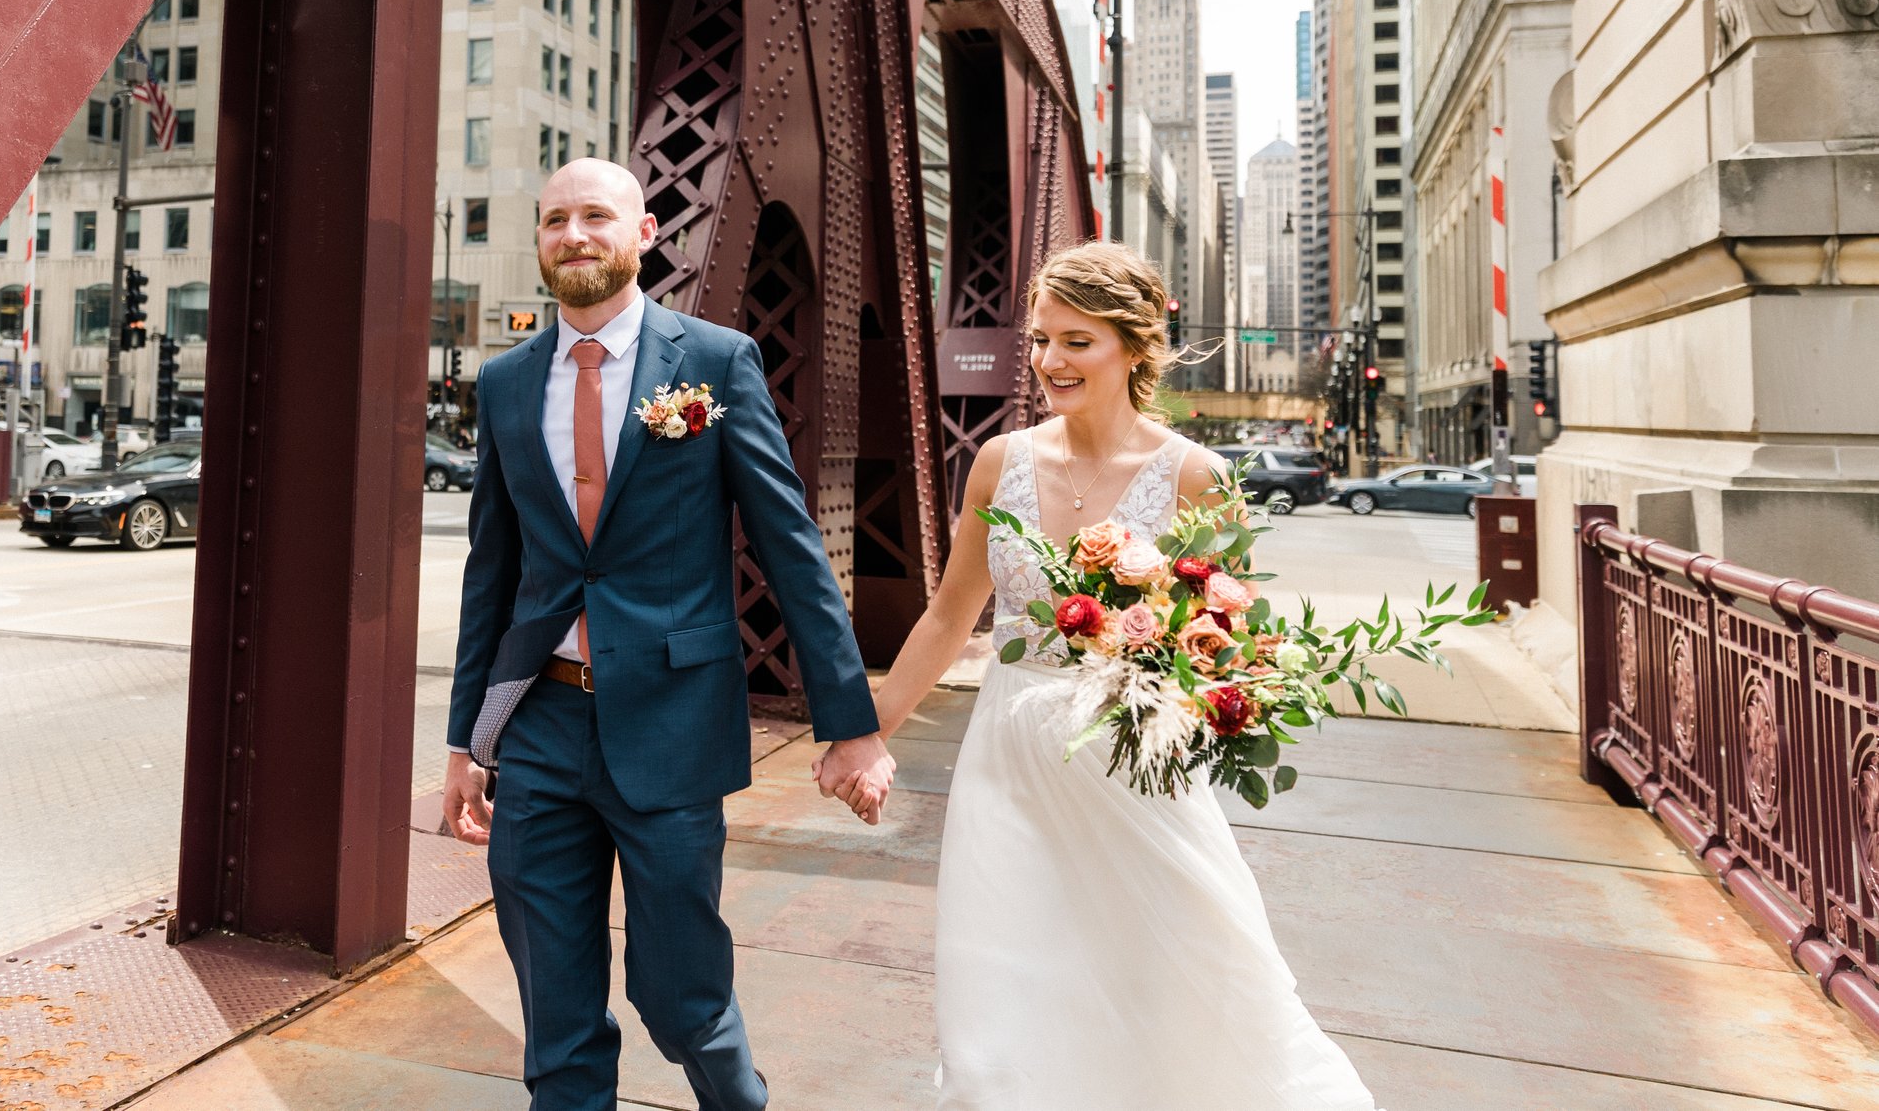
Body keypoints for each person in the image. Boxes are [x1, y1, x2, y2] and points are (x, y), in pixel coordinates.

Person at [833, 240, 1381, 1110]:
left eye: (1076, 340)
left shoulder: (1198, 477)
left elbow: (1232, 639)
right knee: (999, 998)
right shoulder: (999, 462)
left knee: (1180, 983)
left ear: (1132, 346)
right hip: (1006, 766)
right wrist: (867, 735)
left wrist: (1195, 682)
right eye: (1042, 340)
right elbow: (948, 616)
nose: (1050, 361)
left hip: (1133, 768)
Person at [442, 158, 896, 1111]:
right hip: (540, 729)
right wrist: (464, 742)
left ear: (644, 233)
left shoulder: (715, 361)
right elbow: (493, 575)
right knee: (557, 1019)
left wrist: (849, 723)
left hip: (673, 729)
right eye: (555, 218)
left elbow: (791, 546)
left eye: (596, 216)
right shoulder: (505, 384)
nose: (574, 234)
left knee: (680, 996)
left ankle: (740, 1101)